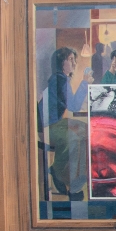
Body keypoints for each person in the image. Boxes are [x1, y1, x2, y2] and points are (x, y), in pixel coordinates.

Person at [44, 47, 92, 200]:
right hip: (48, 126)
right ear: (61, 62)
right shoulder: (59, 79)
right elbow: (74, 106)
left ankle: (77, 182)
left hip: (55, 122)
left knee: (87, 132)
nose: (74, 63)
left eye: (74, 59)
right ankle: (59, 172)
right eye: (70, 59)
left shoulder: (61, 78)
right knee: (76, 137)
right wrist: (85, 83)